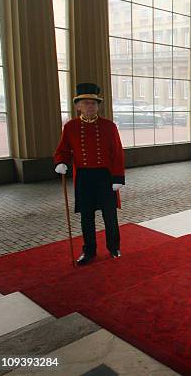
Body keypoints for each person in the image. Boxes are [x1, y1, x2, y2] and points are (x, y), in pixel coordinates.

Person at [53, 83, 125, 266]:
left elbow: (117, 153)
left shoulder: (109, 126)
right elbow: (63, 150)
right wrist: (61, 162)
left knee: (110, 216)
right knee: (87, 217)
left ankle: (114, 247)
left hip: (105, 177)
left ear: (98, 105)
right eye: (85, 103)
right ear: (78, 106)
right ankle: (89, 251)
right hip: (84, 178)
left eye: (94, 103)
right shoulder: (71, 127)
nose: (90, 106)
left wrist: (117, 178)